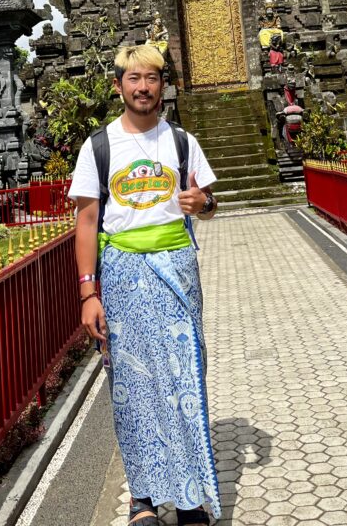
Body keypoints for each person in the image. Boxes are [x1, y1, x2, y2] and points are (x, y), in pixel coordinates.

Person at [69, 44, 220, 525]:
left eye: (151, 78)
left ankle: (191, 494)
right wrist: (88, 293)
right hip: (122, 275)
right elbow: (87, 221)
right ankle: (144, 497)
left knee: (184, 379)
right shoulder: (100, 146)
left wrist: (204, 204)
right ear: (119, 86)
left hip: (176, 268)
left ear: (162, 84)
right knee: (132, 383)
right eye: (133, 78)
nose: (143, 87)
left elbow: (208, 201)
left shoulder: (181, 141)